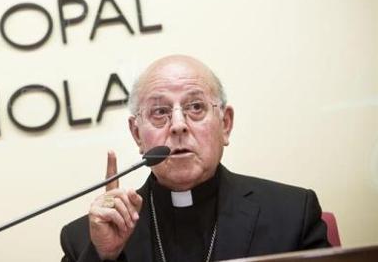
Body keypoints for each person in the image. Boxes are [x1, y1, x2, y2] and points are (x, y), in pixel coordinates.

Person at [60, 55, 329, 262]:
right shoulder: (87, 239)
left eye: (196, 107)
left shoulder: (292, 214)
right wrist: (104, 257)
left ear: (225, 124)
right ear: (137, 134)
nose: (178, 125)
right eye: (159, 111)